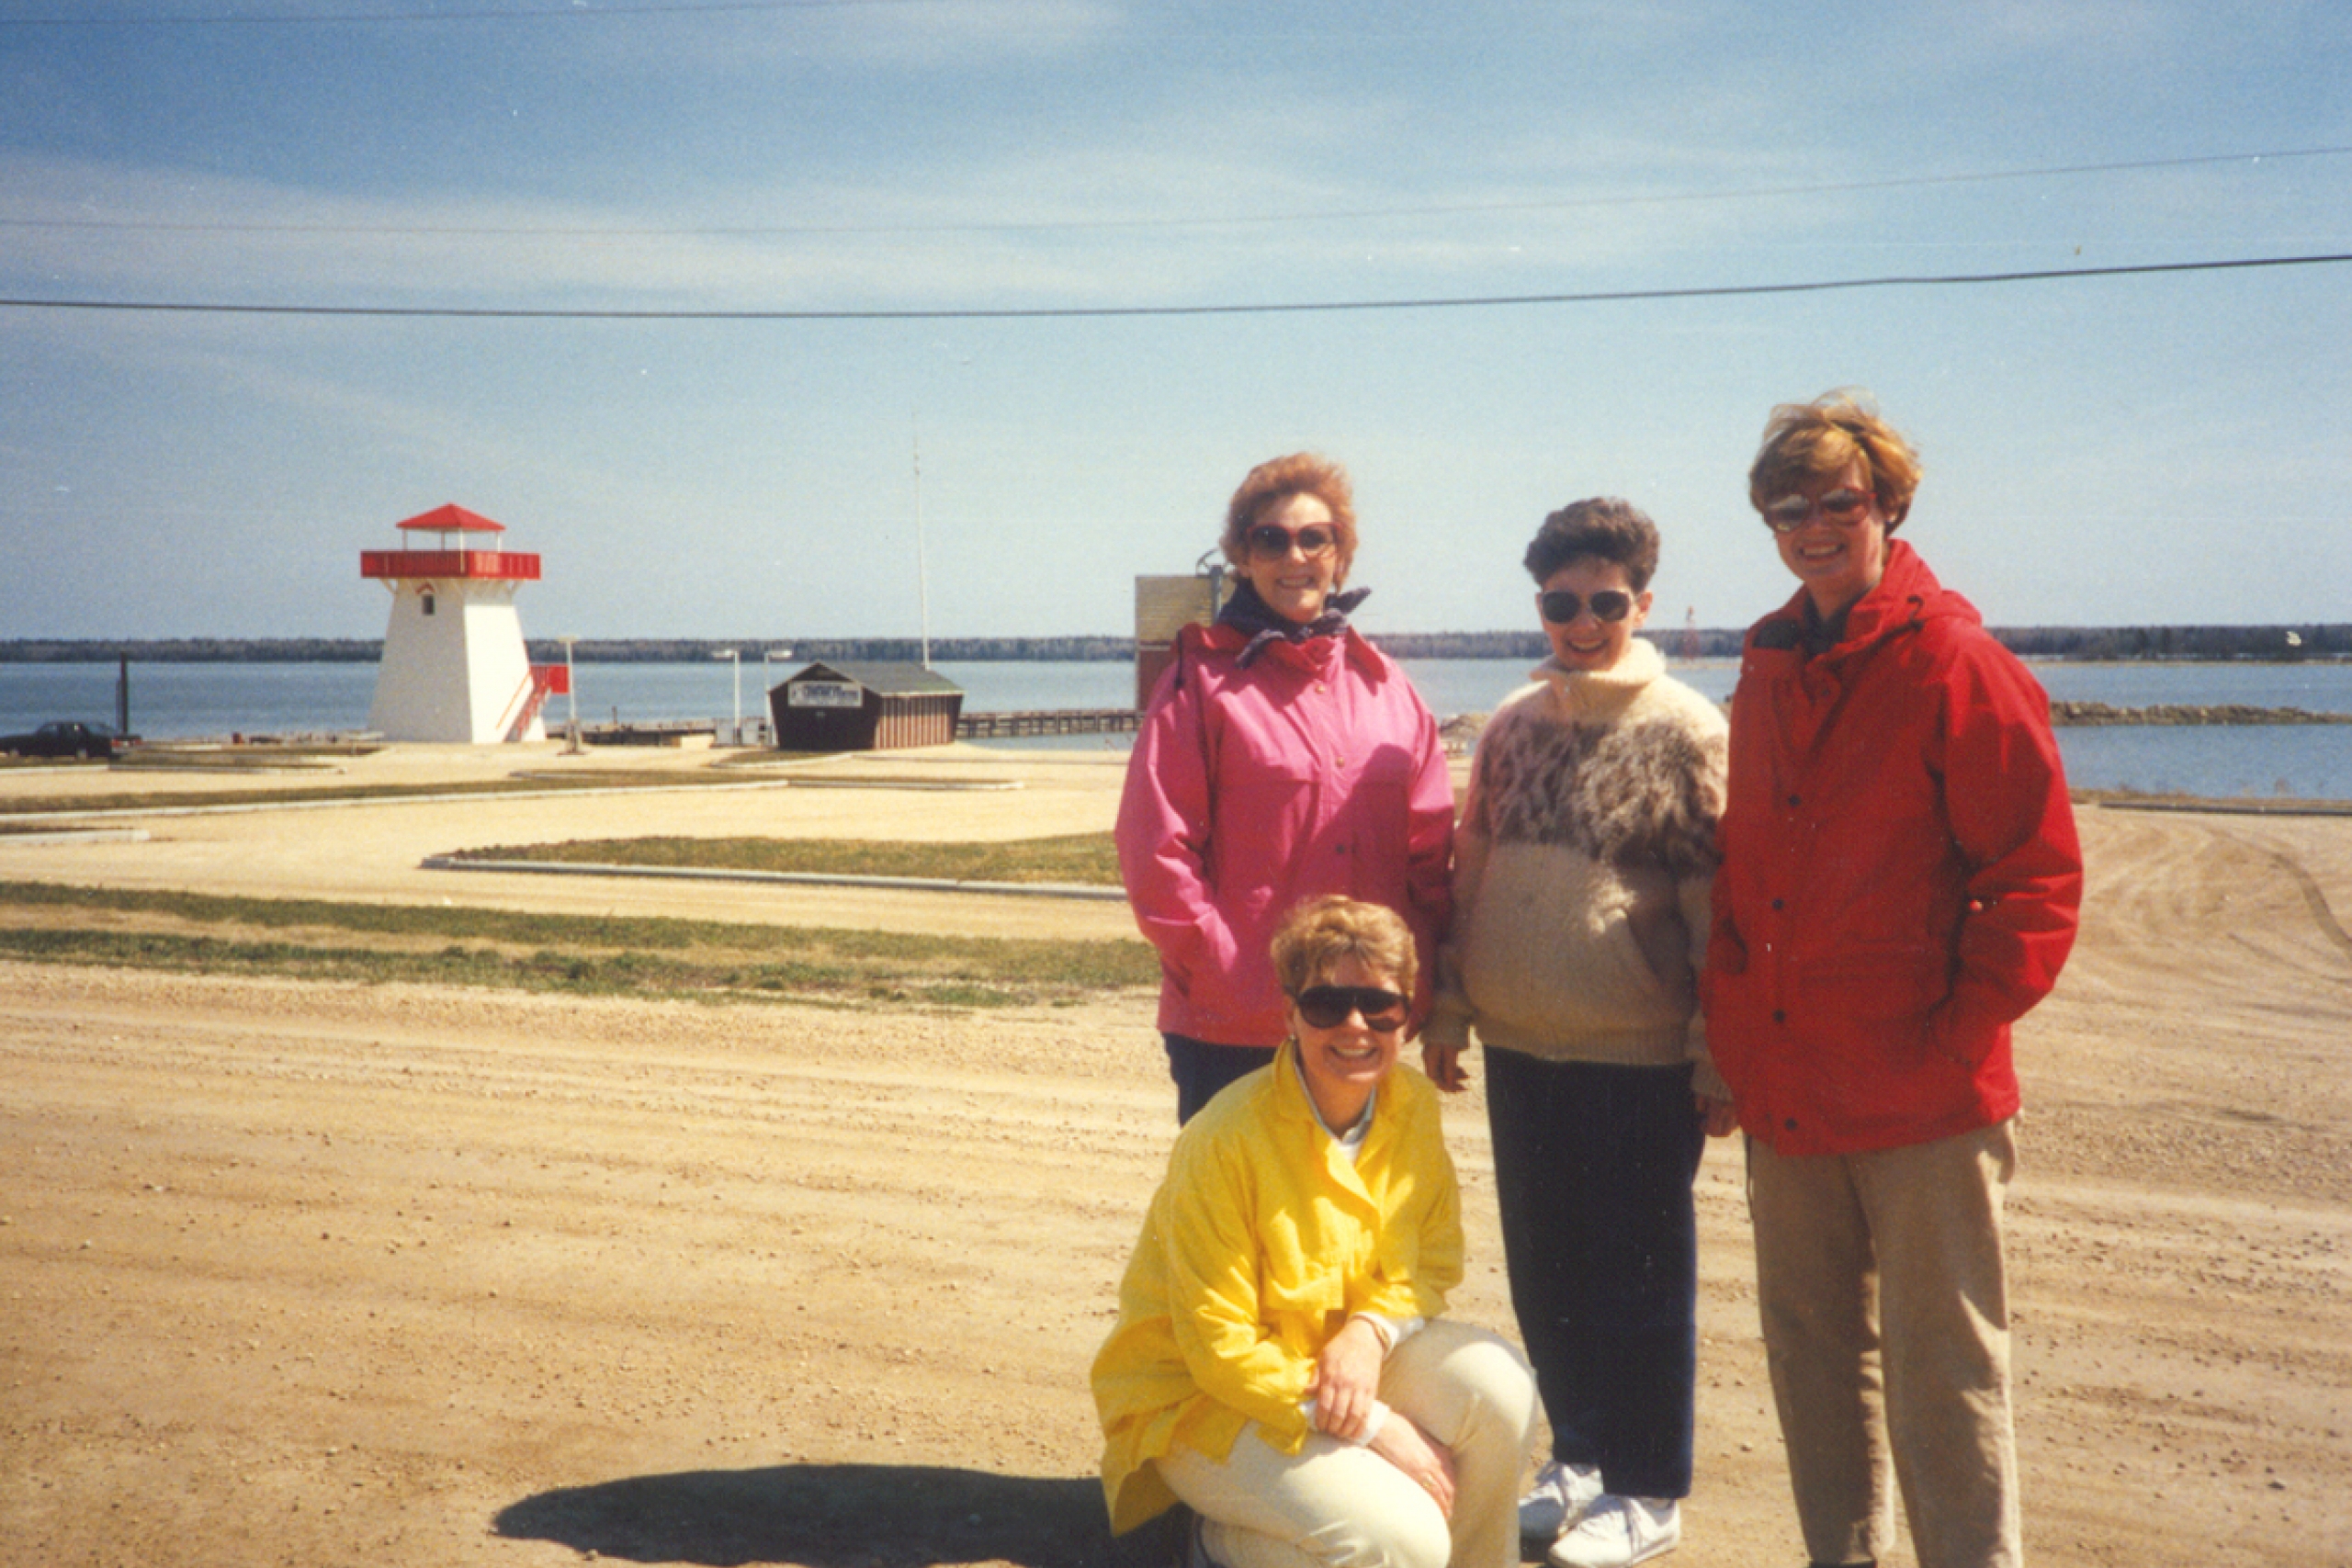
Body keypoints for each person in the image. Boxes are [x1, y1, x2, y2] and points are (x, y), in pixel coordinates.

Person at [1704, 394, 2083, 1568]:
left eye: (1836, 504)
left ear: (1887, 505)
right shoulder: (1768, 665)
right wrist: (1734, 1043)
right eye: (1786, 510)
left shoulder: (1955, 662)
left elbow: (2033, 876)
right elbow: (1744, 878)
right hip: (1790, 1090)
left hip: (1922, 1094)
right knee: (1809, 1359)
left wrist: (1954, 1031)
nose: (1812, 528)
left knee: (1946, 1373)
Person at [1422, 498, 1732, 1568]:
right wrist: (1452, 1007)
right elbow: (1471, 876)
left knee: (1639, 1277)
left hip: (1636, 1055)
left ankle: (1650, 1488)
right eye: (1562, 603)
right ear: (1540, 607)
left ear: (1640, 603)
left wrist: (1712, 1055)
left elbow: (1713, 909)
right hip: (1519, 1047)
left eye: (1605, 602)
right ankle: (1583, 1459)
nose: (1583, 621)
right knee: (1545, 1271)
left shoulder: (1687, 730)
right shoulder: (1511, 726)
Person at [1092, 895, 1539, 1568]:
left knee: (1501, 1388)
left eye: (1379, 1004)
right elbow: (1219, 1350)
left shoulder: (1411, 1108)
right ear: (1289, 1013)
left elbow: (1432, 1259)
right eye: (1328, 1004)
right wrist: (1377, 1427)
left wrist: (1371, 1331)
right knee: (1399, 1537)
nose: (1356, 1025)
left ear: (1407, 1012)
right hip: (1207, 1404)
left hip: (1337, 1364)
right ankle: (1214, 1541)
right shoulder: (1224, 1140)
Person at [1117, 453, 1455, 1122]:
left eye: (1314, 538)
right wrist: (1228, 972)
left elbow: (1430, 856)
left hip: (1362, 1021)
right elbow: (1156, 849)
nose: (1293, 555)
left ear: (1340, 556)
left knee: (1351, 1217)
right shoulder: (1200, 682)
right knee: (1239, 1220)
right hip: (1237, 1022)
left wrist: (1413, 982)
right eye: (1270, 538)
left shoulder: (1388, 688)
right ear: (1244, 555)